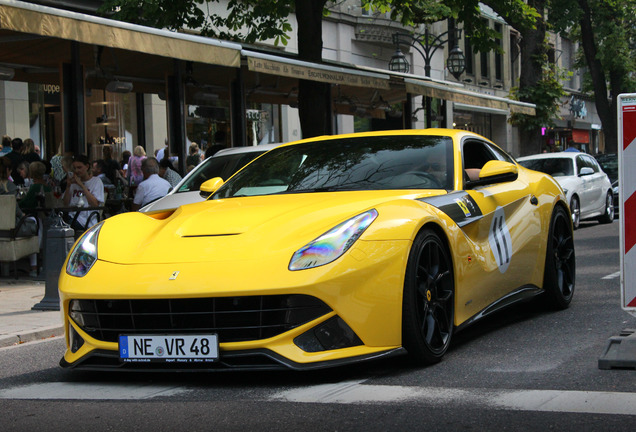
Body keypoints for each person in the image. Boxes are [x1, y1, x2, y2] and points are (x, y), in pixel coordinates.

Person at [63, 154, 104, 231]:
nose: (77, 171)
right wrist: (68, 186)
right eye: (74, 168)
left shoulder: (96, 181)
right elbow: (65, 203)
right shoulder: (73, 182)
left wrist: (81, 185)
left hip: (86, 220)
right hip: (72, 216)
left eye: (79, 167)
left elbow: (95, 204)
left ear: (87, 166)